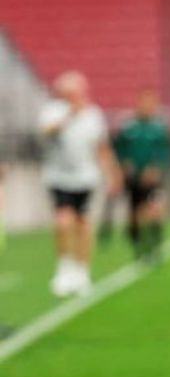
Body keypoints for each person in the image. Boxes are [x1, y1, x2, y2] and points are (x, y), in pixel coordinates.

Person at [38, 71, 121, 296]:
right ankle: (64, 268)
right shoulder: (52, 111)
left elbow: (101, 148)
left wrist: (112, 174)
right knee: (63, 220)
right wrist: (70, 116)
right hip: (58, 177)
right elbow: (45, 132)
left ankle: (82, 271)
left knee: (83, 223)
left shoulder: (93, 115)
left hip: (85, 178)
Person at [113, 89, 170, 262]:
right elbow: (119, 149)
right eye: (144, 102)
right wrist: (124, 164)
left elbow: (167, 151)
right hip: (133, 178)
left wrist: (157, 167)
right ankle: (138, 245)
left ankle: (155, 246)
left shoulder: (159, 128)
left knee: (155, 210)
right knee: (135, 213)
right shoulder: (129, 127)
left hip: (153, 179)